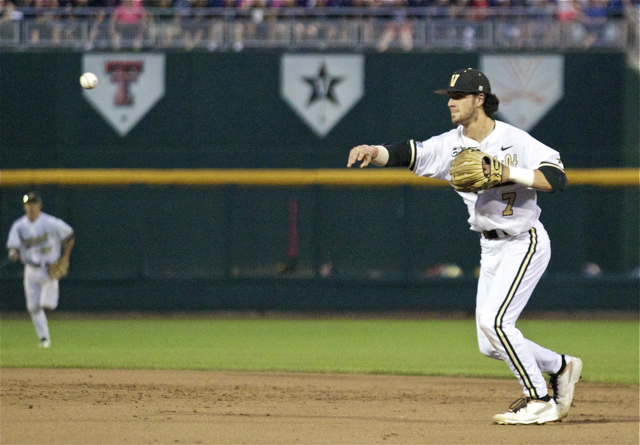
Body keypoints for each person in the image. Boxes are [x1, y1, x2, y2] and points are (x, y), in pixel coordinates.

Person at [346, 68, 583, 425]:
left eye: (458, 96)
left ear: (480, 99)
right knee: (490, 342)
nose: (451, 102)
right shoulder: (449, 145)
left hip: (524, 240)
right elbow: (406, 154)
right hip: (490, 249)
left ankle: (538, 399)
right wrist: (373, 150)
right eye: (449, 97)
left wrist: (507, 173)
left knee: (495, 321)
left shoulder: (516, 140)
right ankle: (561, 366)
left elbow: (558, 179)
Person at [5, 191, 75, 349]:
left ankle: (45, 332)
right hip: (30, 269)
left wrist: (65, 258)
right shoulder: (19, 226)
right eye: (28, 203)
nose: (31, 206)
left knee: (47, 305)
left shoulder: (50, 222)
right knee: (33, 307)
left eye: (33, 203)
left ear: (39, 205)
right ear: (24, 206)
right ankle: (44, 338)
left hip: (49, 269)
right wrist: (13, 254)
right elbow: (13, 247)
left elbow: (69, 235)